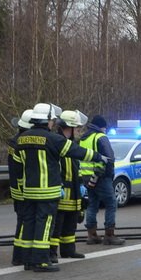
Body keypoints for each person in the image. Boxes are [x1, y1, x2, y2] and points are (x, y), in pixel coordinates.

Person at [13, 103, 93, 272]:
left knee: (30, 224)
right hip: (47, 191)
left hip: (29, 191)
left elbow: (19, 166)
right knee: (45, 225)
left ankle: (28, 260)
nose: (53, 123)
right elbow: (78, 152)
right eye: (52, 120)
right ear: (47, 120)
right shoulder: (53, 139)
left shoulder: (22, 138)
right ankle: (42, 261)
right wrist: (100, 157)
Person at [49, 110, 87, 262]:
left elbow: (77, 168)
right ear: (68, 127)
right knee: (57, 225)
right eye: (76, 128)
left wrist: (82, 185)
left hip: (74, 192)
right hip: (62, 191)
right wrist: (58, 186)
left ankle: (68, 250)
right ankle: (51, 253)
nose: (78, 131)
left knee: (71, 224)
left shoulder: (72, 143)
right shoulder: (58, 143)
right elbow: (55, 168)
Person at [80, 115, 124, 245]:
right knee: (111, 203)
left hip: (87, 177)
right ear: (102, 127)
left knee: (92, 204)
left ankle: (91, 235)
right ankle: (109, 235)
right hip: (101, 176)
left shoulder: (83, 138)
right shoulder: (101, 137)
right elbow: (109, 157)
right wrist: (110, 174)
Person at [8, 108, 32, 266]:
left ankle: (18, 256)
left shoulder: (15, 141)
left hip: (16, 188)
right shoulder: (22, 143)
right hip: (24, 189)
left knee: (21, 222)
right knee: (25, 223)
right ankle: (20, 257)